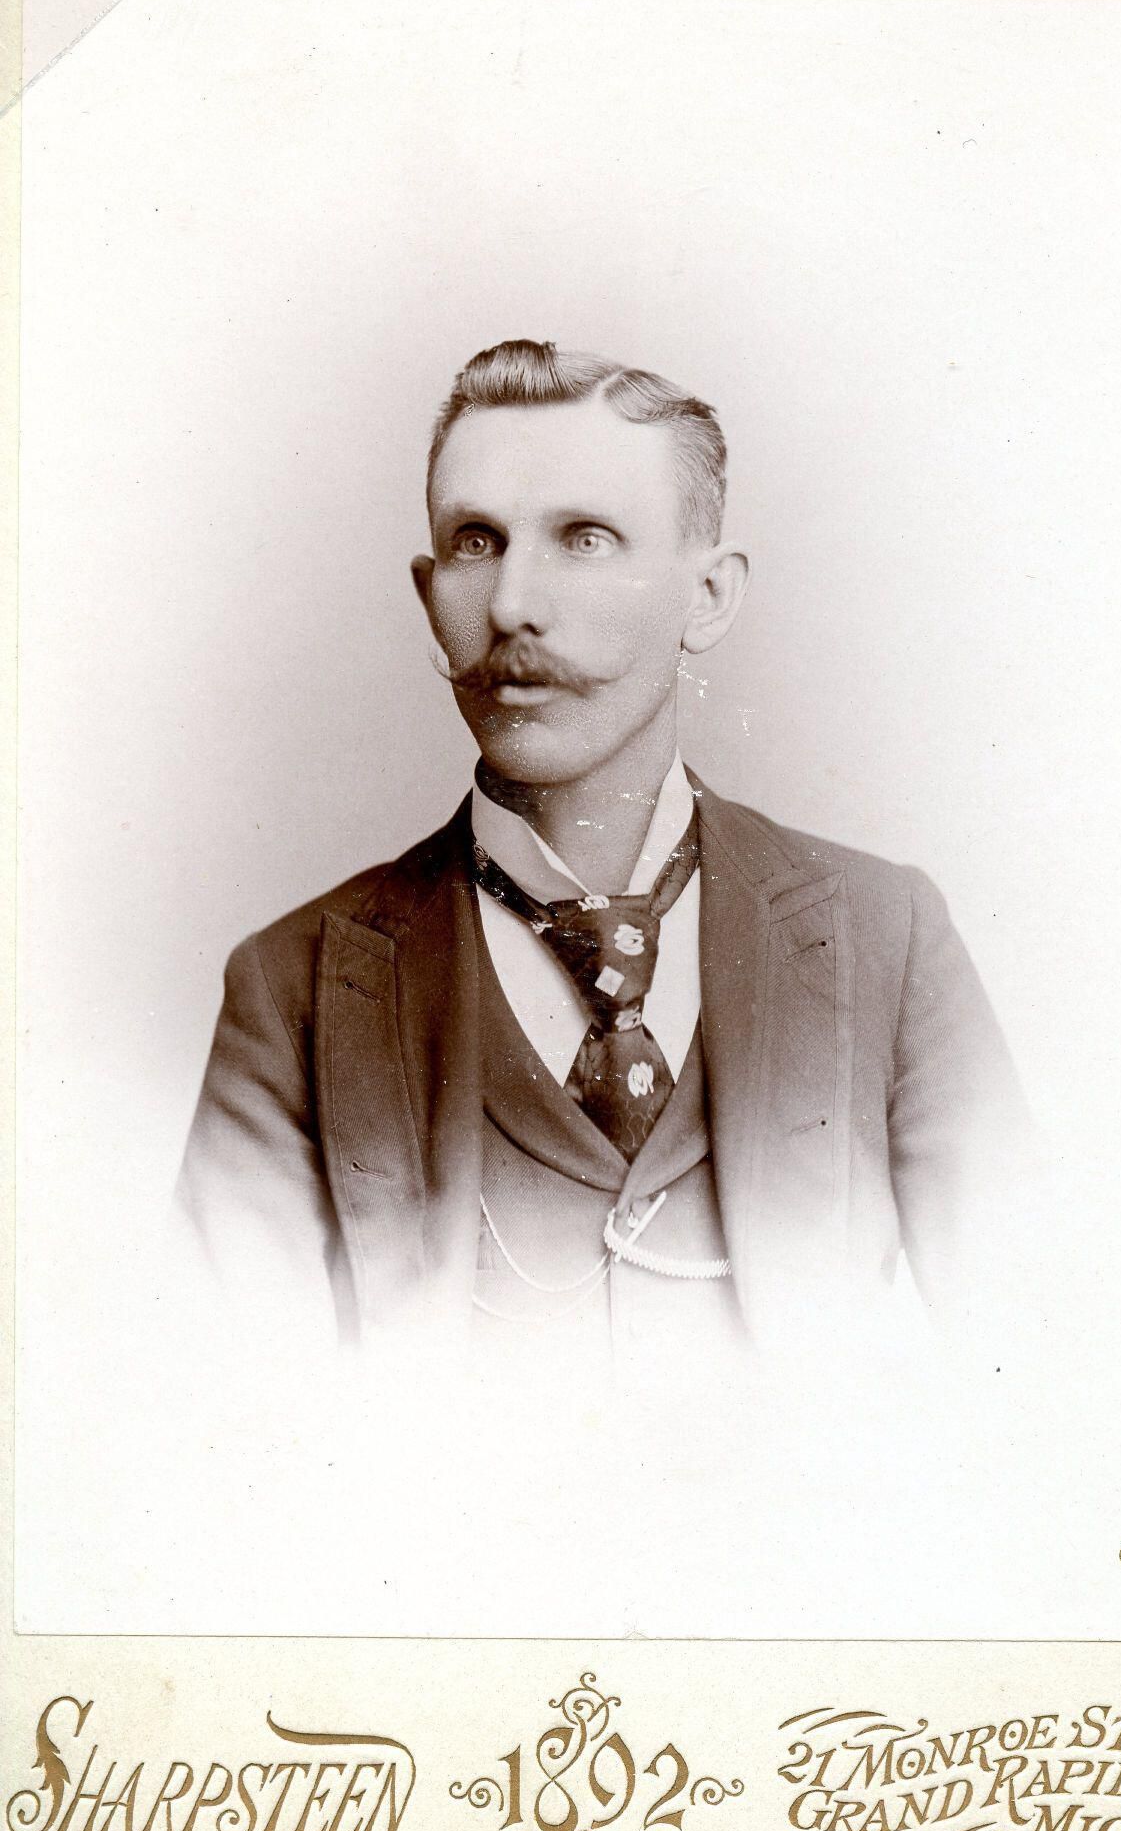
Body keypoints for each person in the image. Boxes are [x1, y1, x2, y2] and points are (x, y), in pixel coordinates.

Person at [175, 338, 1027, 1366]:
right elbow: (239, 1416)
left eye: (584, 539)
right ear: (428, 595)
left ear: (707, 597)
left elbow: (1036, 1364)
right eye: (475, 542)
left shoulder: (884, 937)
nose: (510, 605)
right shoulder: (293, 989)